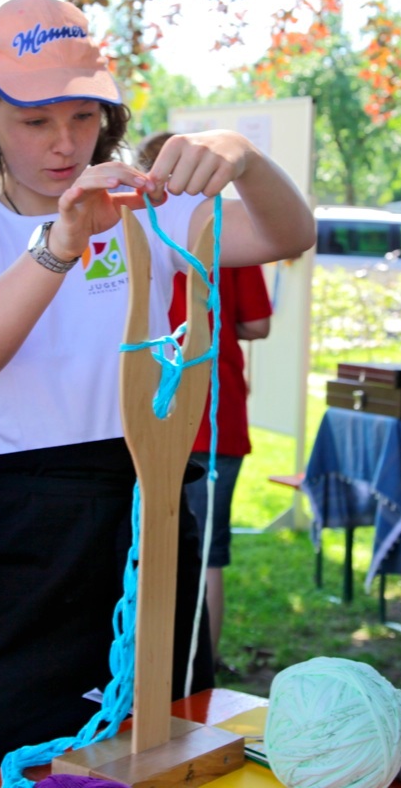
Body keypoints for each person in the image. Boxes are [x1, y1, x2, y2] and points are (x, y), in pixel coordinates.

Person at [0, 0, 315, 785]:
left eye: (83, 116)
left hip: (148, 498)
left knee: (163, 733)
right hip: (26, 515)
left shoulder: (149, 210)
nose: (64, 143)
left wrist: (243, 157)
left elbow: (289, 235)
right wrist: (62, 240)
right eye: (35, 121)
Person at [139, 132, 275, 671]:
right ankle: (201, 666)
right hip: (215, 408)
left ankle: (163, 665)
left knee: (151, 542)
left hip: (153, 404)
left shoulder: (138, 225)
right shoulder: (223, 228)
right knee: (207, 551)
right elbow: (258, 324)